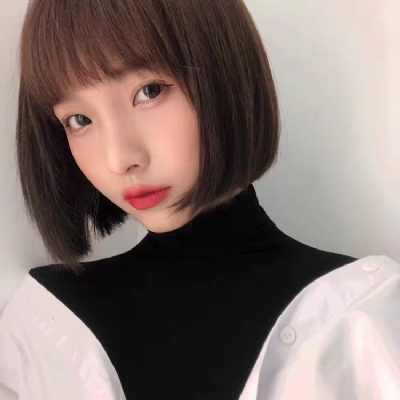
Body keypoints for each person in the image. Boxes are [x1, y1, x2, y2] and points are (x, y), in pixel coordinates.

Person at [1, 0, 399, 399]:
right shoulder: (41, 329)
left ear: (226, 74)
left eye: (149, 92)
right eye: (79, 120)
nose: (119, 159)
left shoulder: (362, 315)